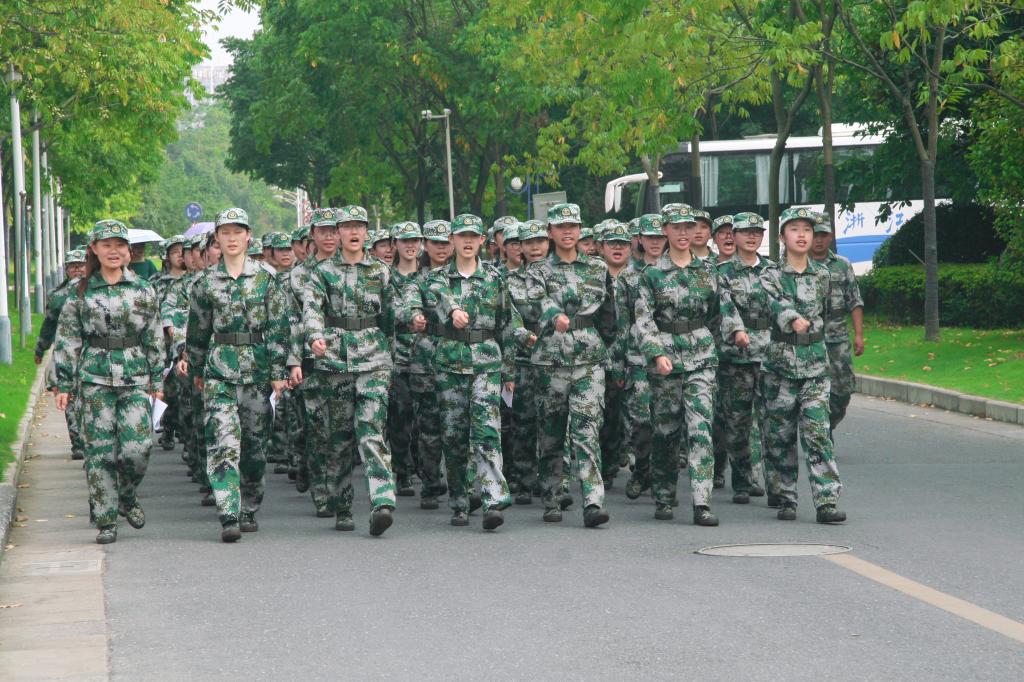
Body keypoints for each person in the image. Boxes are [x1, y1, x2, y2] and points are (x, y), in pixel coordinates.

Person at [183, 208, 293, 542]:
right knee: (223, 443)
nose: (231, 239)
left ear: (248, 236)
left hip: (257, 371)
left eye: (237, 232)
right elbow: (197, 330)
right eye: (225, 233)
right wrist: (197, 369)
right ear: (217, 238)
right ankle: (229, 512)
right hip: (220, 369)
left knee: (254, 446)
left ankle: (249, 505)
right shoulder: (205, 282)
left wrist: (278, 372)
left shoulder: (266, 278)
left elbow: (278, 328)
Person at [54, 220, 163, 544]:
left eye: (119, 245)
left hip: (134, 377)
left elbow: (154, 335)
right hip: (95, 378)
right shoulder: (80, 291)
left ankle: (126, 495)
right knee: (99, 452)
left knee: (138, 448)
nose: (113, 251)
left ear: (128, 250)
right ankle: (106, 519)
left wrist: (157, 378)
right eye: (106, 245)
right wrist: (63, 384)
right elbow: (68, 339)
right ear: (94, 249)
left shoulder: (143, 289)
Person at [632, 208, 744, 526]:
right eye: (677, 227)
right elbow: (643, 319)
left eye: (688, 227)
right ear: (665, 230)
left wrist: (736, 331)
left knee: (700, 429)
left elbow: (722, 309)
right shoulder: (652, 275)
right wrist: (656, 353)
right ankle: (664, 495)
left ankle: (702, 502)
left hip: (701, 358)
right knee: (666, 432)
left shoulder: (708, 271)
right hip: (665, 360)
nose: (683, 233)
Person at [420, 213, 531, 529]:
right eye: (461, 236)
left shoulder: (495, 278)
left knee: (487, 431)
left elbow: (507, 324)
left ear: (483, 240)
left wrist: (510, 369)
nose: (467, 242)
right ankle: (460, 500)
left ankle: (493, 499)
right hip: (450, 363)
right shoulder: (437, 278)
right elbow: (436, 296)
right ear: (452, 240)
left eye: (473, 236)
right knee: (454, 436)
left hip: (486, 362)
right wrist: (453, 310)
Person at [303, 205, 398, 536]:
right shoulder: (322, 272)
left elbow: (390, 318)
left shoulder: (381, 271)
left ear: (366, 232)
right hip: (335, 359)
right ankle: (342, 505)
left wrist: (390, 357)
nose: (354, 232)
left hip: (374, 360)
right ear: (339, 232)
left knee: (371, 430)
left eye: (359, 226)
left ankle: (382, 502)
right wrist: (314, 336)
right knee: (340, 436)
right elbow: (312, 308)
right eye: (347, 227)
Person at [526, 202, 615, 527]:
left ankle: (593, 501)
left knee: (586, 429)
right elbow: (535, 301)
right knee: (551, 432)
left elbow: (609, 314)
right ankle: (552, 496)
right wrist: (554, 316)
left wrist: (605, 346)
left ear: (580, 230)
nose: (567, 232)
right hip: (551, 360)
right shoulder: (537, 270)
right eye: (561, 227)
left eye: (573, 226)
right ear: (550, 232)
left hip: (589, 359)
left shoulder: (597, 268)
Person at [759, 207, 845, 523]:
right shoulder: (770, 275)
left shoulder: (823, 275)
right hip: (780, 367)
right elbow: (772, 303)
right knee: (780, 436)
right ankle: (785, 497)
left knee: (818, 432)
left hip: (815, 367)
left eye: (807, 230)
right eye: (794, 229)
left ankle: (827, 500)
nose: (802, 235)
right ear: (782, 236)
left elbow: (828, 315)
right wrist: (792, 319)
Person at [712, 212, 774, 503]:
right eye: (746, 232)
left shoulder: (773, 271)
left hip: (770, 354)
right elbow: (725, 308)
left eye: (757, 232)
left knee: (771, 421)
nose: (752, 237)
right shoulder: (722, 273)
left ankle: (770, 482)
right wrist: (737, 330)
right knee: (737, 422)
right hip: (735, 357)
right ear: (733, 236)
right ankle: (742, 479)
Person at [399, 219, 454, 509]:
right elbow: (410, 305)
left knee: (460, 426)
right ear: (425, 246)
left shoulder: (464, 276)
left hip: (459, 356)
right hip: (426, 358)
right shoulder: (417, 280)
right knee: (429, 427)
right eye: (435, 243)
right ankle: (431, 484)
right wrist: (415, 317)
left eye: (446, 242)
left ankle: (464, 485)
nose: (441, 248)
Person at [291, 209, 342, 509]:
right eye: (323, 231)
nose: (329, 236)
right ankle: (322, 491)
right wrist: (293, 361)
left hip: (345, 359)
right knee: (317, 427)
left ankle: (336, 488)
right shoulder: (299, 274)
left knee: (340, 428)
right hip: (311, 359)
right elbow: (291, 321)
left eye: (334, 230)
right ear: (312, 235)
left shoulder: (351, 268)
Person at [810, 212, 865, 439]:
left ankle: (828, 425)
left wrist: (859, 335)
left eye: (823, 235)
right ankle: (818, 432)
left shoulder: (842, 265)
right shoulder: (799, 264)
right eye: (815, 235)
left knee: (843, 391)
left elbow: (855, 301)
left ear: (830, 236)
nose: (819, 240)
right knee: (812, 390)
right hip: (809, 338)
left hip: (837, 336)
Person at [506, 219, 548, 504]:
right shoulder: (509, 281)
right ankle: (524, 480)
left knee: (555, 423)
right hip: (523, 359)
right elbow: (508, 319)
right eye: (529, 242)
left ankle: (554, 481)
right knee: (523, 422)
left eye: (540, 241)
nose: (535, 247)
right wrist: (523, 336)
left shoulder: (560, 277)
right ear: (519, 246)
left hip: (557, 358)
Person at [37, 249, 88, 461]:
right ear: (66, 270)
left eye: (80, 265)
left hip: (91, 352)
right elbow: (49, 324)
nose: (77, 269)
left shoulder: (95, 289)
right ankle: (78, 443)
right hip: (65, 352)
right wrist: (41, 348)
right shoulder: (58, 295)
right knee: (69, 397)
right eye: (73, 266)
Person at [388, 221, 424, 497]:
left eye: (415, 240)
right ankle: (402, 471)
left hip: (427, 356)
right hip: (396, 356)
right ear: (395, 244)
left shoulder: (430, 276)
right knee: (400, 415)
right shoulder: (386, 278)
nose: (410, 245)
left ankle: (425, 467)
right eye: (405, 240)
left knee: (426, 418)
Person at [597, 222, 633, 486]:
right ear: (601, 248)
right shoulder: (594, 277)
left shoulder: (639, 277)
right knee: (607, 415)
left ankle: (641, 467)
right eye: (612, 244)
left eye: (623, 243)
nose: (618, 248)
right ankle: (607, 467)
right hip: (604, 356)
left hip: (636, 356)